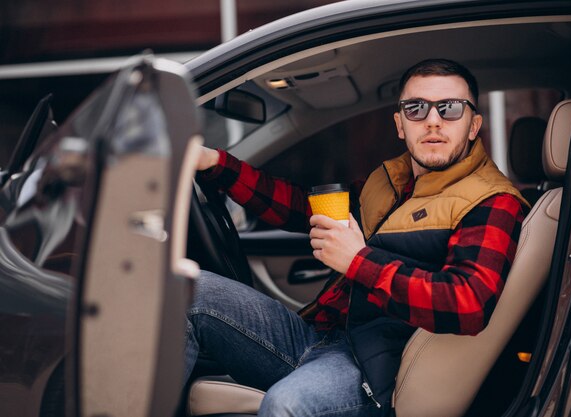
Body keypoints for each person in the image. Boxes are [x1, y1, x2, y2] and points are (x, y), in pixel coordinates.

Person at [185, 58, 528, 417]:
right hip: (318, 335)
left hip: (373, 366)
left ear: (474, 125)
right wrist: (215, 164)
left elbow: (467, 303)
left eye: (450, 108)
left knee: (286, 405)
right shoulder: (392, 180)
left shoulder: (492, 201)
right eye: (416, 108)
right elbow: (305, 208)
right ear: (399, 124)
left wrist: (358, 262)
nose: (432, 120)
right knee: (187, 289)